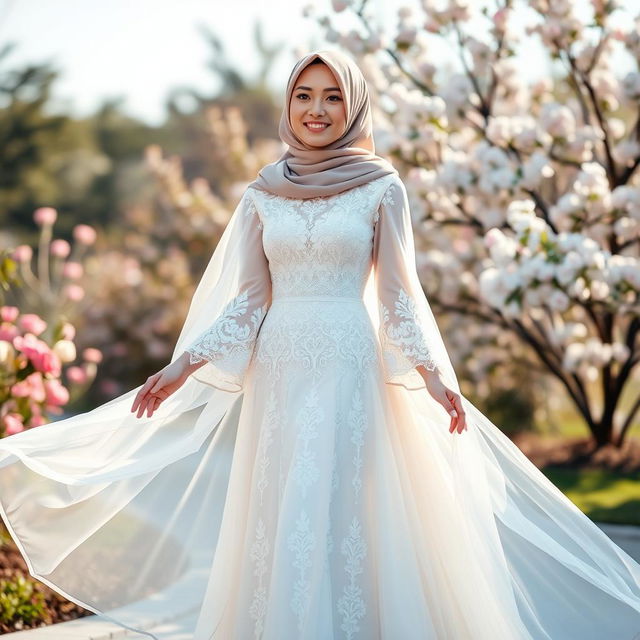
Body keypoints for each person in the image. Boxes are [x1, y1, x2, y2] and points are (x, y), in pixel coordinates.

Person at [1, 49, 640, 640]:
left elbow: (396, 298)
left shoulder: (382, 187)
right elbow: (250, 300)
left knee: (342, 501)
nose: (315, 109)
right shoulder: (260, 194)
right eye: (304, 95)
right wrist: (182, 366)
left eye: (332, 96)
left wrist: (433, 375)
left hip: (349, 362)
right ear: (287, 106)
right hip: (278, 367)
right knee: (284, 503)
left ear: (353, 106)